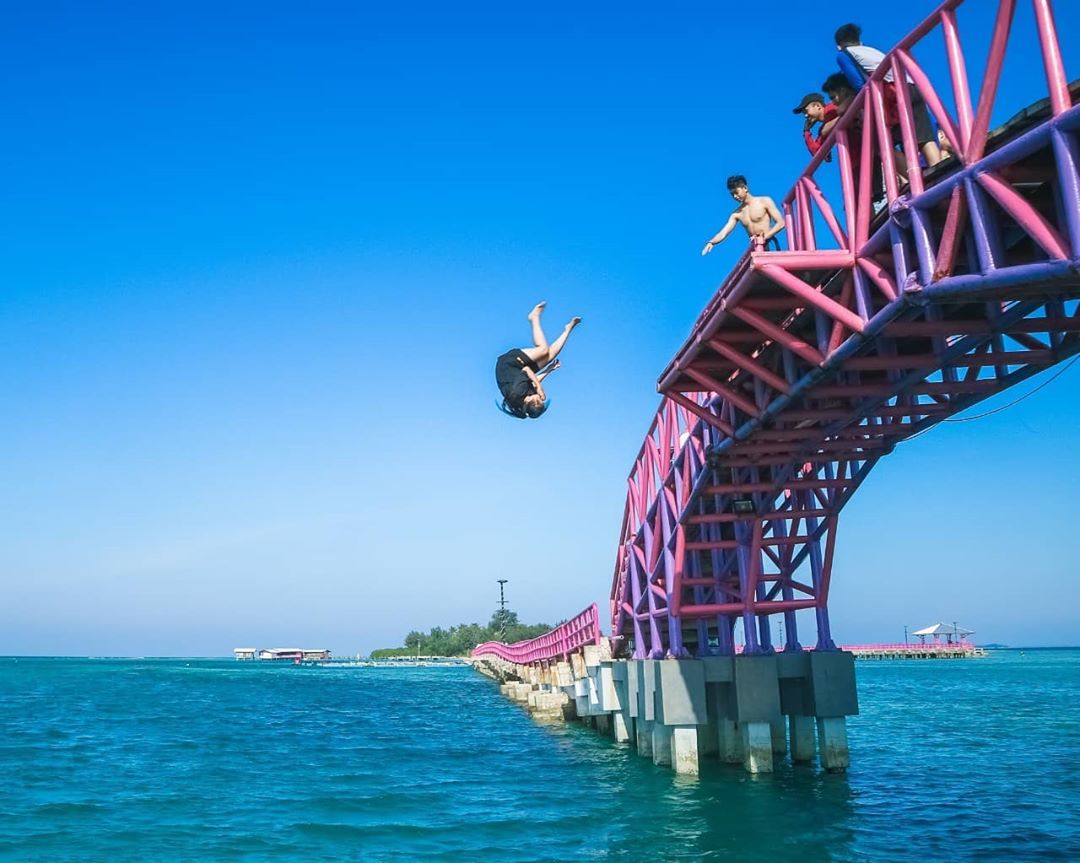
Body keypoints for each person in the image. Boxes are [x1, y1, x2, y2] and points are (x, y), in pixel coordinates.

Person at [833, 22, 942, 167]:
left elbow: (859, 83)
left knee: (882, 143)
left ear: (839, 45)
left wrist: (859, 106)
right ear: (859, 41)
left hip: (894, 94)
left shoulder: (844, 55)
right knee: (923, 136)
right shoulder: (870, 51)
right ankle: (939, 168)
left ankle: (911, 179)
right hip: (912, 86)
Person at [494, 302, 581, 419]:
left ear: (531, 401)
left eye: (539, 399)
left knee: (543, 350)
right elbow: (530, 381)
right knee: (551, 356)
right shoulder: (522, 399)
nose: (540, 397)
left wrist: (540, 387)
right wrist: (549, 370)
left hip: (508, 363)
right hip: (518, 370)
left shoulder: (518, 392)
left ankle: (534, 318)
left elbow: (527, 371)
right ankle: (568, 330)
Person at [701, 175, 786, 255]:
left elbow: (781, 223)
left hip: (769, 244)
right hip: (755, 249)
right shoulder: (737, 214)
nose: (735, 196)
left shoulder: (764, 201)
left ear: (745, 188)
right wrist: (712, 242)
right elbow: (724, 232)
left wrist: (764, 238)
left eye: (736, 192)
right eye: (732, 194)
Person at [793, 92, 838, 157]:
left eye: (806, 111)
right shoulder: (823, 129)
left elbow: (850, 105)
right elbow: (818, 153)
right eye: (804, 114)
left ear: (818, 106)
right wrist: (806, 131)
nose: (805, 116)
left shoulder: (832, 107)